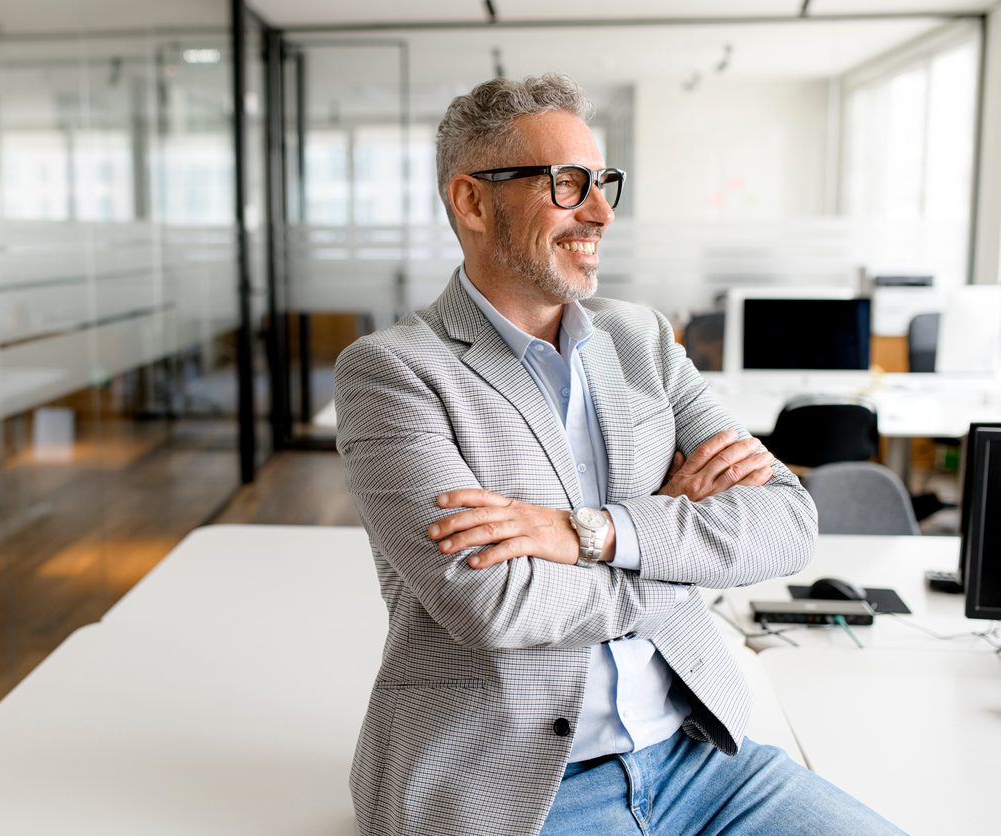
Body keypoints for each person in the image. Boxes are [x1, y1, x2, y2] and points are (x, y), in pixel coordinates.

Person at [333, 73, 905, 836]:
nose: (600, 211)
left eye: (602, 182)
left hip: (700, 759)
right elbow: (496, 604)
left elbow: (789, 521)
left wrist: (591, 534)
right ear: (472, 201)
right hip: (518, 788)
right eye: (567, 185)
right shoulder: (392, 371)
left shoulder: (638, 338)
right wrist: (678, 557)